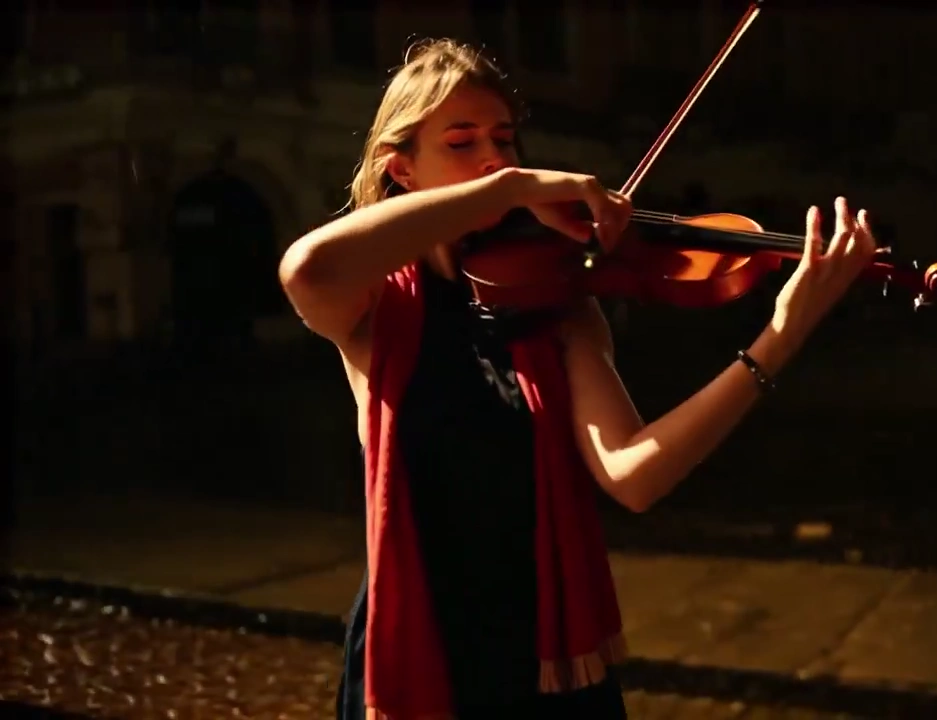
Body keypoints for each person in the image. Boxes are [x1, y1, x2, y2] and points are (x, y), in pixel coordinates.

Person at [278, 38, 878, 720]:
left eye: (504, 140)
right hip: (421, 640)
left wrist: (781, 335)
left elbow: (634, 475)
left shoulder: (558, 303)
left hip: (545, 655)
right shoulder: (375, 306)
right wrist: (506, 189)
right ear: (402, 169)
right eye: (462, 142)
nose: (494, 158)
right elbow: (304, 268)